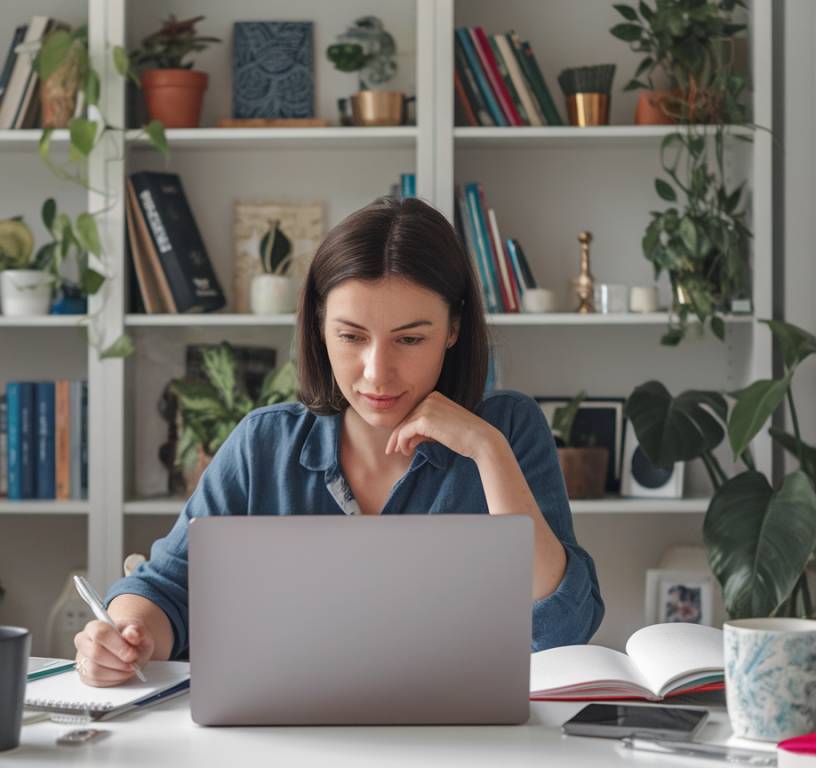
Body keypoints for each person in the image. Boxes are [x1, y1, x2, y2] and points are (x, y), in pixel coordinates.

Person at [74, 197, 605, 687]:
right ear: (320, 328)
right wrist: (126, 638)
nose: (377, 373)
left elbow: (564, 629)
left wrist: (488, 453)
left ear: (454, 328)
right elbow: (166, 590)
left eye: (410, 339)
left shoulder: (507, 430)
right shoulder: (265, 444)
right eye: (351, 337)